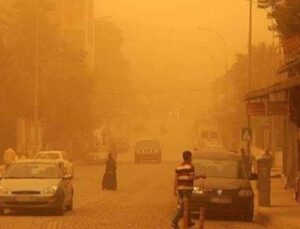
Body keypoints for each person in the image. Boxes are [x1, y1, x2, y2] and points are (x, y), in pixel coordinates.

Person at [171, 150, 206, 229]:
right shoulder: (191, 166)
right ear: (189, 157)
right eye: (191, 157)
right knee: (184, 207)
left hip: (180, 189)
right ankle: (174, 221)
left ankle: (188, 221)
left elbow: (176, 179)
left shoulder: (178, 167)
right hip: (187, 189)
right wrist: (201, 176)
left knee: (186, 205)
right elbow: (191, 177)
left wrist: (174, 189)